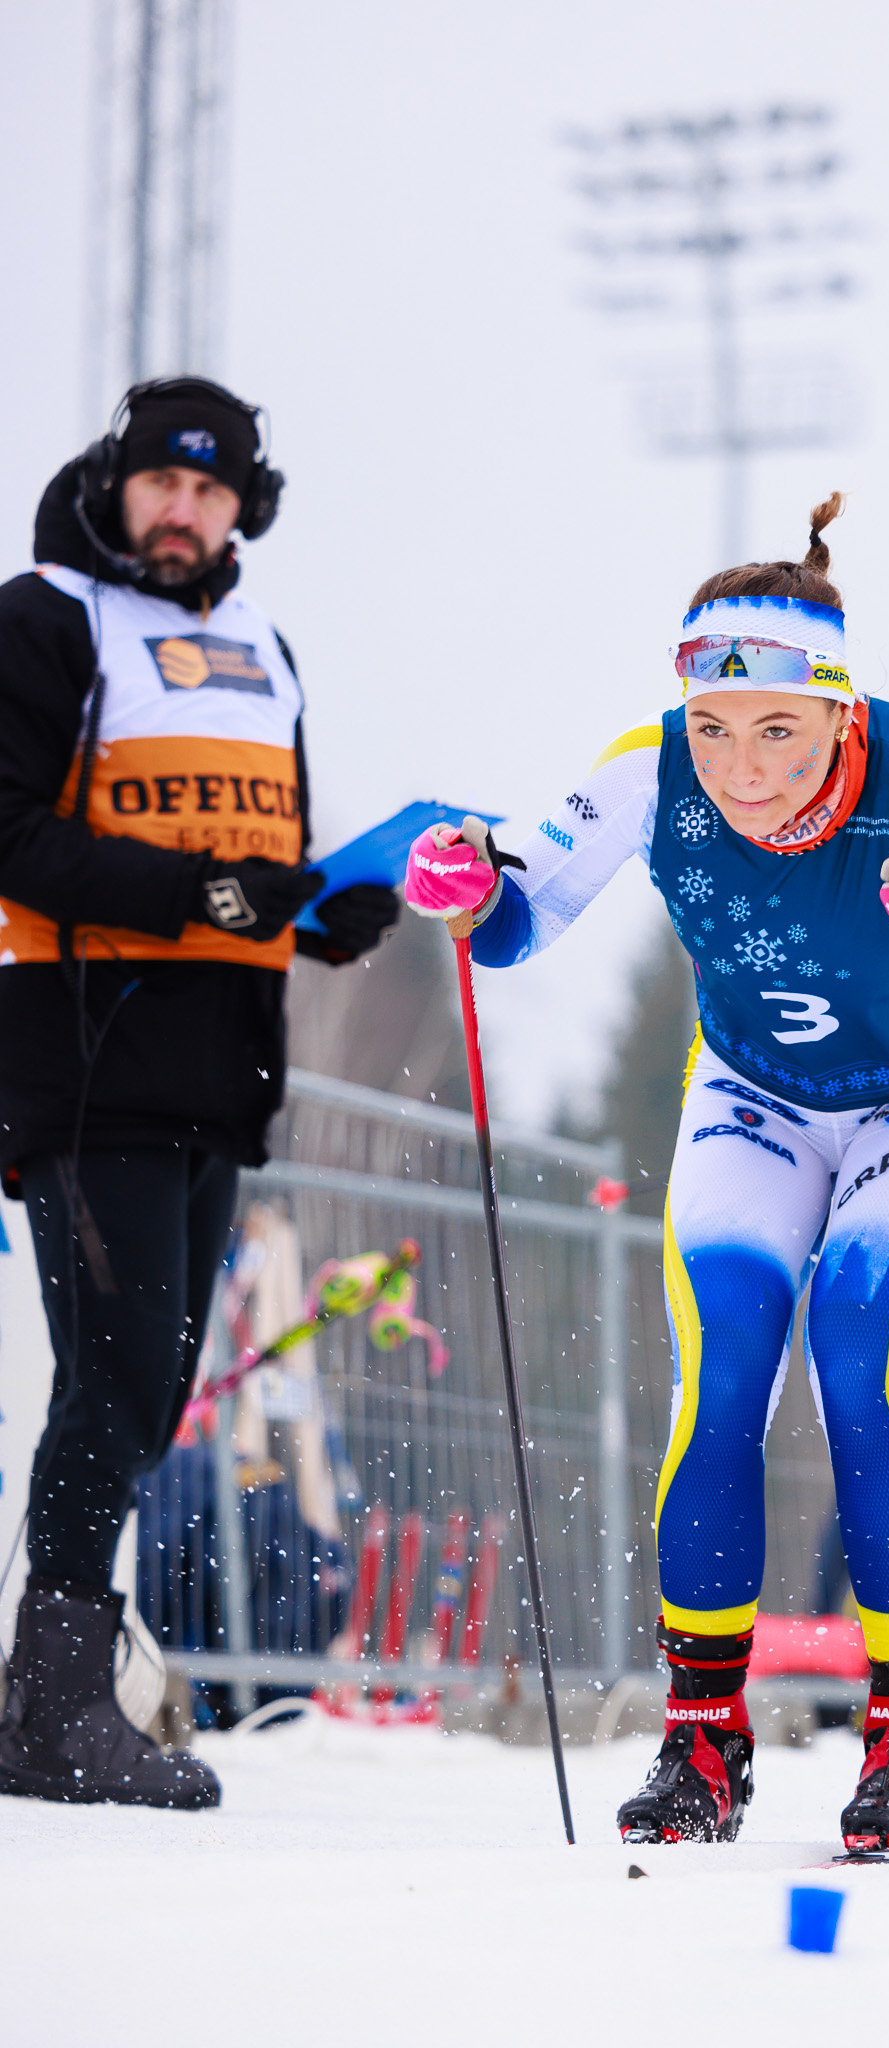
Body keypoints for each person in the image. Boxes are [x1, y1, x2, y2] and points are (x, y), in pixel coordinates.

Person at [403, 493, 889, 1856]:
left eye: (777, 731)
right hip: (750, 1101)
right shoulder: (647, 768)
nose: (740, 768)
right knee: (721, 1379)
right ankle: (702, 1741)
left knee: (859, 1361)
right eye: (714, 728)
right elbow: (516, 923)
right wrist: (468, 891)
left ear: (837, 712)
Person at [0, 377, 398, 1809]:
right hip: (84, 1063)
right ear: (115, 485)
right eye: (162, 483)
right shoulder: (47, 616)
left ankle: (57, 1693)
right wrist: (211, 893)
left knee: (154, 1387)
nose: (184, 510)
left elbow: (263, 862)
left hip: (219, 1073)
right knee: (112, 1382)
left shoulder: (263, 647)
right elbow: (13, 835)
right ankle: (50, 1705)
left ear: (244, 507)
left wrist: (328, 912)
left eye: (212, 488)